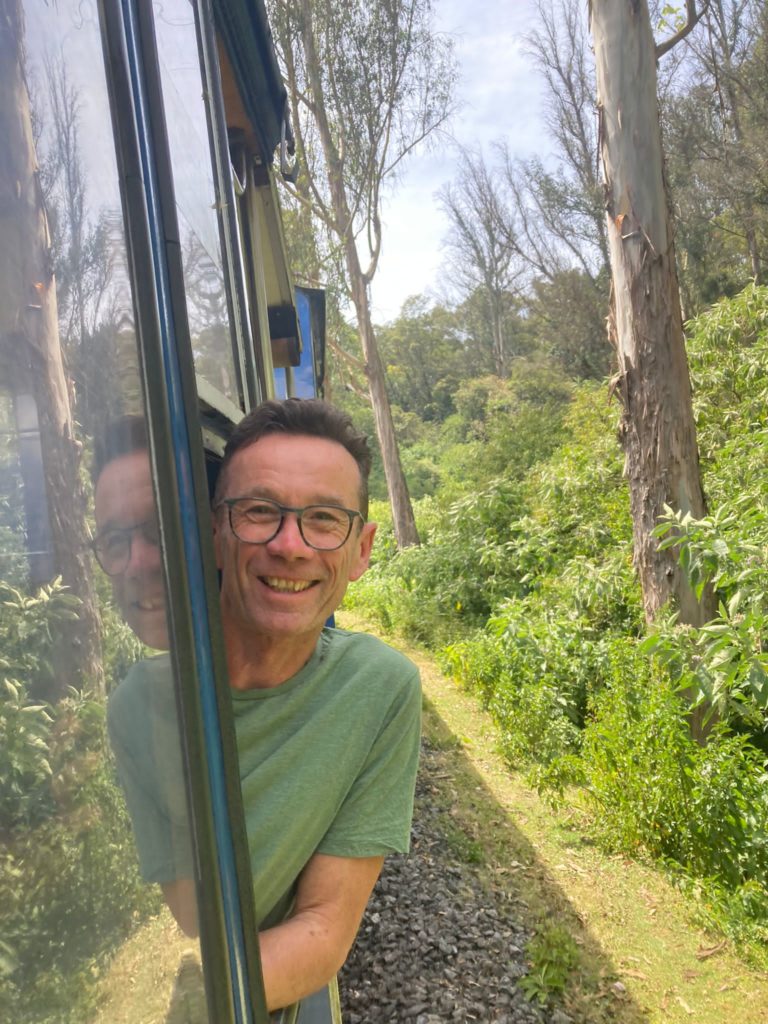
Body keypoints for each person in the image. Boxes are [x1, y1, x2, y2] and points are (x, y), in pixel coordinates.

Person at [92, 401, 422, 1022]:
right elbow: (192, 919)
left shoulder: (381, 689)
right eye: (259, 512)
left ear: (362, 550)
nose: (290, 546)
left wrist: (193, 1002)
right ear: (217, 534)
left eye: (324, 519)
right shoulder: (135, 707)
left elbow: (323, 926)